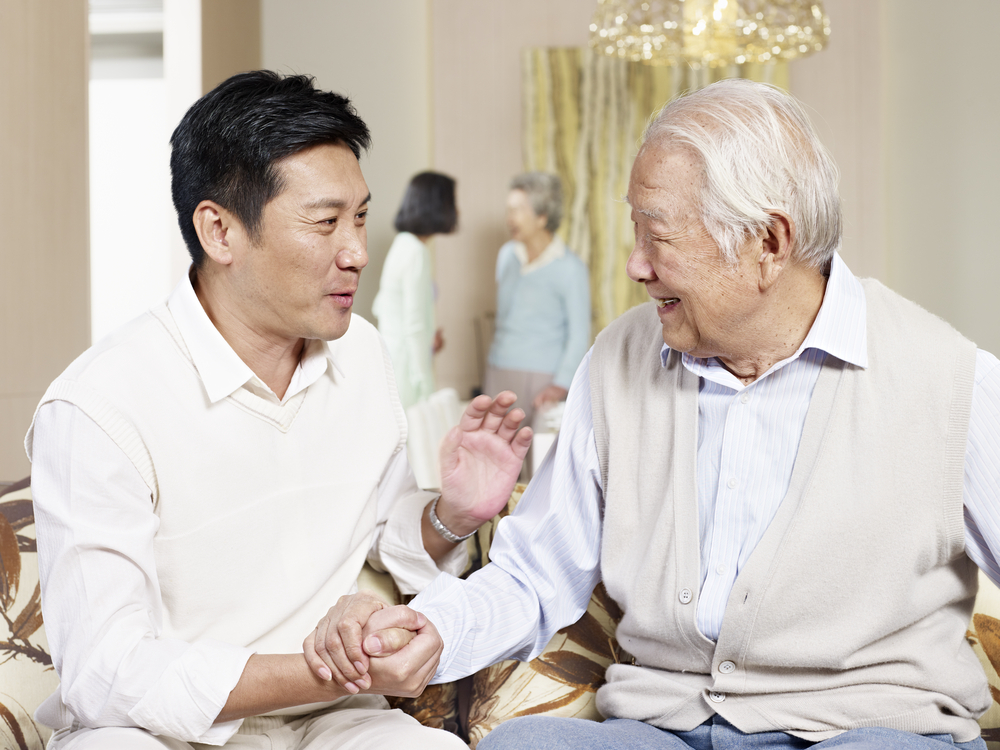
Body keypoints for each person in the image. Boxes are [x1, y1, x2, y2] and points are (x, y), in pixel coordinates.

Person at [305, 78, 1000, 749]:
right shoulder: (619, 360)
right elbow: (535, 572)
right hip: (664, 730)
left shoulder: (949, 381)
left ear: (769, 243)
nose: (635, 265)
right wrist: (432, 631)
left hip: (872, 733)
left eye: (656, 235)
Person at [26, 70, 530, 750]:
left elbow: (384, 537)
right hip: (157, 731)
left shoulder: (363, 354)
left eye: (359, 217)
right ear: (220, 232)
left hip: (336, 721)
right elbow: (106, 672)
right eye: (325, 223)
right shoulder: (98, 406)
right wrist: (326, 671)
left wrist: (452, 515)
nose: (357, 251)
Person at [484, 171, 591, 429]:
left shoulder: (571, 269)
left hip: (542, 380)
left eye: (518, 210)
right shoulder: (506, 256)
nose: (510, 218)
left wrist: (560, 385)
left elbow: (579, 335)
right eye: (508, 209)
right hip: (498, 370)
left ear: (542, 216)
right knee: (492, 458)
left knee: (535, 464)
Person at [372, 171, 457, 409]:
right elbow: (415, 325)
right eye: (452, 202)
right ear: (436, 204)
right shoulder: (415, 252)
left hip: (395, 361)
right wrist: (425, 385)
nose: (456, 212)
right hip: (407, 371)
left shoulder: (403, 245)